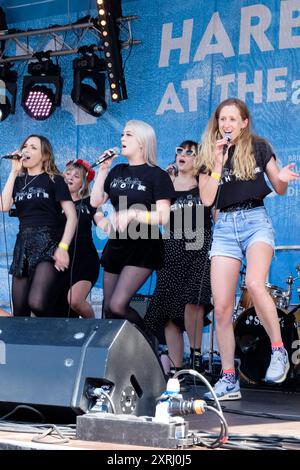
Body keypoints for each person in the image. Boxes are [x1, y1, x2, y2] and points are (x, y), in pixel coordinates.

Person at [195, 98, 299, 400]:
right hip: (225, 227)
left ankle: (278, 351)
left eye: (232, 119)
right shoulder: (209, 154)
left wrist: (282, 179)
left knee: (254, 282)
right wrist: (216, 162)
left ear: (244, 122)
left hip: (256, 221)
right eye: (221, 119)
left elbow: (279, 187)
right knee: (223, 306)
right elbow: (206, 200)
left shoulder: (259, 147)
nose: (226, 125)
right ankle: (229, 379)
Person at [90, 120, 174, 333]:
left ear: (143, 142)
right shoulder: (117, 170)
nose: (122, 139)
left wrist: (134, 212)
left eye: (128, 135)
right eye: (122, 135)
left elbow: (163, 216)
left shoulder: (157, 175)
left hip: (143, 245)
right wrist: (102, 170)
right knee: (109, 310)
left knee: (118, 306)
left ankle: (147, 339)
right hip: (117, 244)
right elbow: (95, 202)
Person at [145, 140, 213, 377]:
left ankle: (196, 357)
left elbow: (213, 212)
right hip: (173, 246)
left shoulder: (202, 184)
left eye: (189, 152)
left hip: (200, 244)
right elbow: (160, 219)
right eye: (179, 150)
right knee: (169, 311)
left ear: (198, 158)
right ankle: (177, 369)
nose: (182, 155)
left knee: (194, 301)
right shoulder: (167, 184)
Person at [0, 135, 77, 317]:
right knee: (19, 310)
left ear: (44, 155)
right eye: (25, 146)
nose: (26, 150)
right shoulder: (18, 181)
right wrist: (13, 172)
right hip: (23, 244)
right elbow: (3, 206)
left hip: (48, 242)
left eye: (33, 147)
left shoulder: (55, 180)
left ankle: (62, 327)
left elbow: (72, 216)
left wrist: (63, 248)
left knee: (37, 302)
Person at [61, 159, 103, 318]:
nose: (70, 177)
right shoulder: (54, 202)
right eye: (68, 173)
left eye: (76, 176)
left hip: (85, 260)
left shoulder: (90, 202)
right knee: (63, 308)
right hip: (61, 261)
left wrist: (106, 224)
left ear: (83, 183)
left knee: (75, 300)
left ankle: (94, 327)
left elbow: (100, 219)